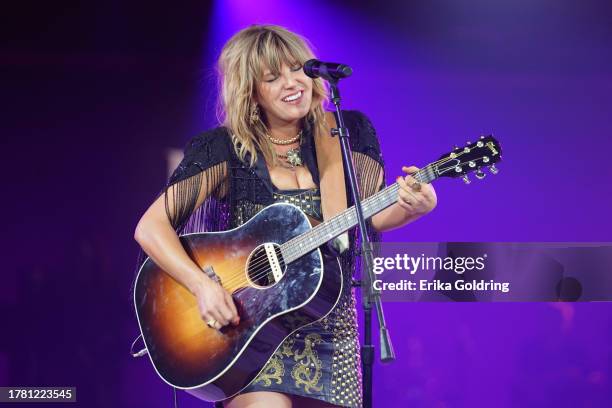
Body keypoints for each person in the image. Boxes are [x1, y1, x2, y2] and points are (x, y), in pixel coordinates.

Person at [134, 24, 437, 408]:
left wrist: (415, 206)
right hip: (250, 335)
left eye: (297, 69)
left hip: (331, 329)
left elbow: (368, 217)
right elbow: (150, 227)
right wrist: (202, 286)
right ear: (252, 92)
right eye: (272, 77)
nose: (293, 83)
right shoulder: (223, 149)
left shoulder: (345, 132)